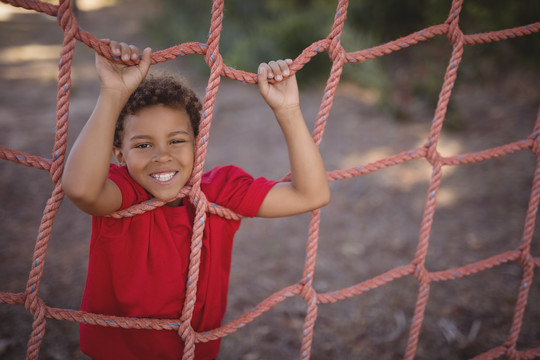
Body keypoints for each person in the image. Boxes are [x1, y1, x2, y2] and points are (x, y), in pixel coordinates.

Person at [62, 40, 330, 360]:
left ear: (197, 144)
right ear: (119, 153)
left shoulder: (218, 193)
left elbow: (312, 194)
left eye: (177, 141)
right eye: (143, 145)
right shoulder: (123, 194)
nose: (163, 156)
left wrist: (287, 110)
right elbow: (80, 190)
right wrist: (113, 94)